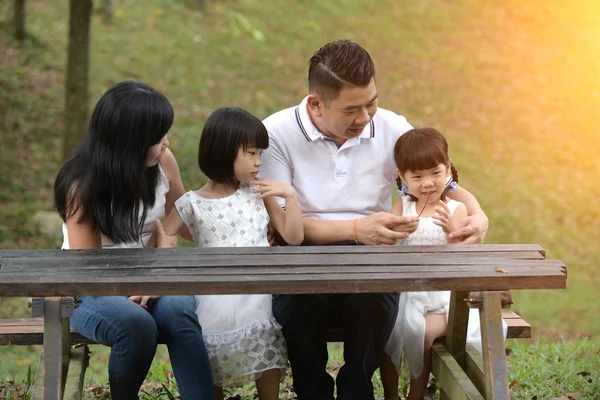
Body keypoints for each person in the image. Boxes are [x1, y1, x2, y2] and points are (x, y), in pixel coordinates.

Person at [260, 40, 490, 400]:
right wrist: (355, 228)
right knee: (297, 303)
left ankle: (356, 385)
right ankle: (311, 388)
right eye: (352, 110)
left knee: (377, 295)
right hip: (301, 252)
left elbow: (438, 179)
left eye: (372, 102)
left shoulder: (392, 127)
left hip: (371, 255)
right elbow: (284, 223)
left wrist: (478, 216)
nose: (366, 118)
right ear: (316, 104)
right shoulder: (276, 134)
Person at [54, 80, 214, 400]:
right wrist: (151, 274)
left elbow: (183, 225)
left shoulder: (163, 164)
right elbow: (90, 270)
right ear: (128, 143)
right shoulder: (81, 186)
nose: (166, 144)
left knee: (180, 308)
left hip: (151, 277)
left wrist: (243, 218)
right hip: (89, 290)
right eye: (157, 138)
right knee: (135, 324)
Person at [155, 107, 303, 400]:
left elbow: (293, 237)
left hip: (259, 291)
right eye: (251, 153)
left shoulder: (258, 192)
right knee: (207, 343)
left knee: (263, 324)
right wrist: (166, 259)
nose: (259, 162)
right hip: (213, 293)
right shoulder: (191, 203)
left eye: (260, 153)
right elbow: (166, 233)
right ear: (223, 151)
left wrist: (290, 196)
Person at [380, 127, 495, 400]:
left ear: (448, 169)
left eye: (435, 173)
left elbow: (461, 256)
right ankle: (390, 393)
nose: (428, 183)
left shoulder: (457, 209)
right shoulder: (403, 206)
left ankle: (416, 393)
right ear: (402, 177)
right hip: (409, 291)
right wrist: (395, 233)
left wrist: (453, 231)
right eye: (417, 177)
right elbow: (389, 243)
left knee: (423, 335)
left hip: (444, 293)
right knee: (388, 333)